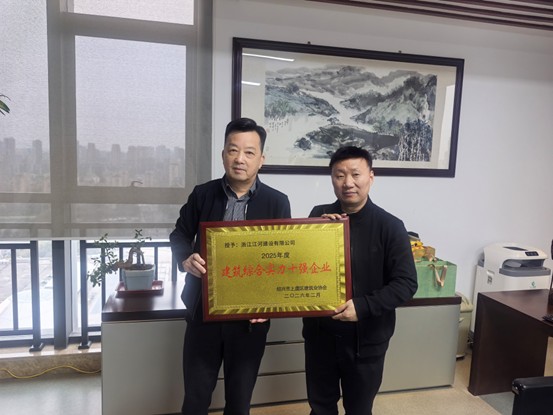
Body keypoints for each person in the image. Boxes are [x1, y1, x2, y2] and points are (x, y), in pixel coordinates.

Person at [169, 117, 291, 415]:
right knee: (195, 398)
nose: (240, 159)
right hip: (203, 312)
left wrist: (271, 305)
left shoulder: (277, 202)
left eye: (249, 152)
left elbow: (283, 259)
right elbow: (180, 234)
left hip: (250, 319)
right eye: (233, 150)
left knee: (239, 401)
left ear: (261, 159)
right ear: (223, 154)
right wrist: (185, 258)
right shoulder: (202, 194)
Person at [303, 145, 417, 415]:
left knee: (359, 408)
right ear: (332, 179)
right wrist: (315, 232)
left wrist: (363, 306)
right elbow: (300, 267)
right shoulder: (318, 215)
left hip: (366, 340)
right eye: (339, 175)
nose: (348, 183)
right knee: (320, 406)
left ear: (371, 177)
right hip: (321, 335)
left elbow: (406, 283)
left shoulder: (390, 226)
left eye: (355, 174)